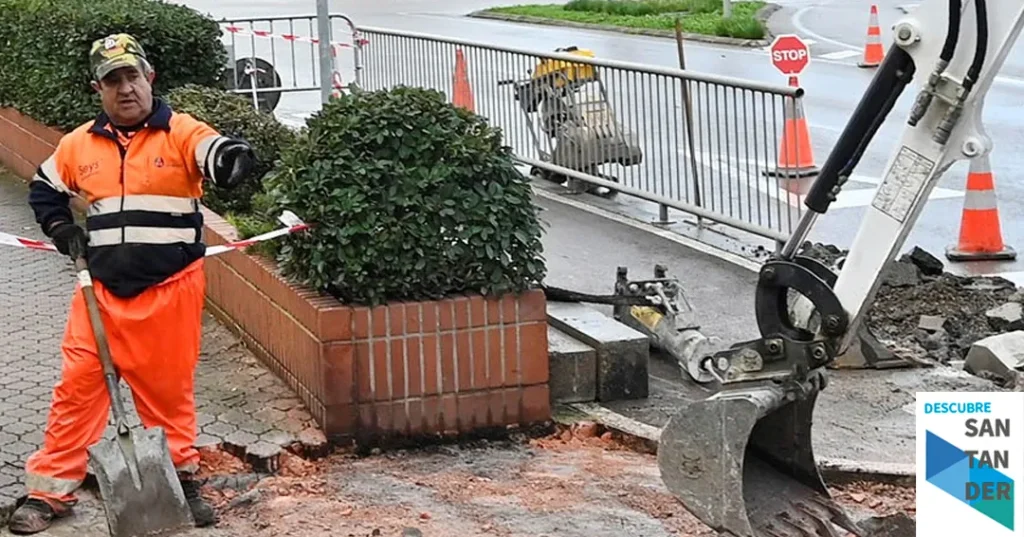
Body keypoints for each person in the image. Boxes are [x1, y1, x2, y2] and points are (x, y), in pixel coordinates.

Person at [8, 33, 256, 534]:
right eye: (113, 80)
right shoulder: (79, 144)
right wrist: (61, 229)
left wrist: (232, 158)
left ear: (150, 78)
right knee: (76, 391)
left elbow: (215, 153)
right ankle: (50, 491)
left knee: (167, 393)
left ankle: (180, 479)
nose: (126, 89)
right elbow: (44, 189)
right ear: (97, 88)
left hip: (170, 289)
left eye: (133, 76)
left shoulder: (181, 132)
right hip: (99, 294)